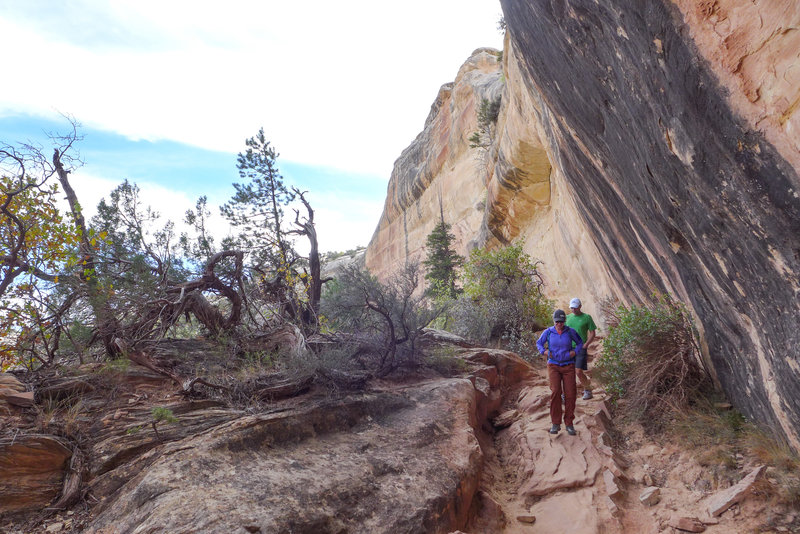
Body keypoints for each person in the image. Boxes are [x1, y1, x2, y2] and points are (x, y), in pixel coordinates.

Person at [536, 309, 583, 435]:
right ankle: (555, 424)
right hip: (553, 366)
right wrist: (544, 352)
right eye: (557, 321)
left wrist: (574, 352)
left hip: (568, 366)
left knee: (570, 394)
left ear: (564, 321)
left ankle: (569, 423)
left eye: (561, 321)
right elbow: (539, 343)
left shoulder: (570, 331)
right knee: (556, 392)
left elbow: (580, 343)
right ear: (554, 321)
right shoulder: (548, 332)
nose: (559, 324)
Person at [566, 297, 598, 400]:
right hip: (568, 348)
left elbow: (593, 332)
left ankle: (588, 390)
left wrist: (586, 344)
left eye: (575, 308)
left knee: (579, 371)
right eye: (572, 308)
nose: (573, 310)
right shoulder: (567, 318)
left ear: (580, 306)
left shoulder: (587, 317)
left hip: (580, 348)